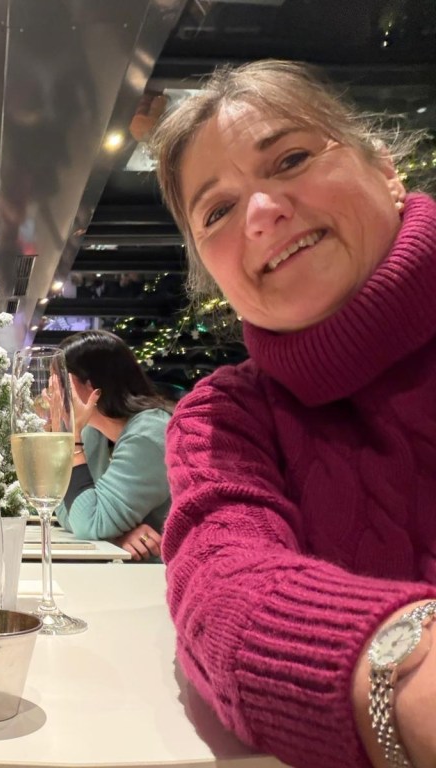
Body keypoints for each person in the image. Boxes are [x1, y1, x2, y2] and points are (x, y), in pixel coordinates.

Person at [147, 59, 436, 768]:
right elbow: (222, 587)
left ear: (385, 169)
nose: (261, 212)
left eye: (291, 159)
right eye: (217, 212)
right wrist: (409, 680)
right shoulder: (224, 417)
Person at [54, 330, 173, 561]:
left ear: (91, 387)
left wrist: (72, 437)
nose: (51, 394)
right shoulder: (94, 432)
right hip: (132, 571)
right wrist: (114, 534)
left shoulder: (149, 433)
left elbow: (87, 522)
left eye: (59, 382)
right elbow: (67, 513)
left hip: (173, 574)